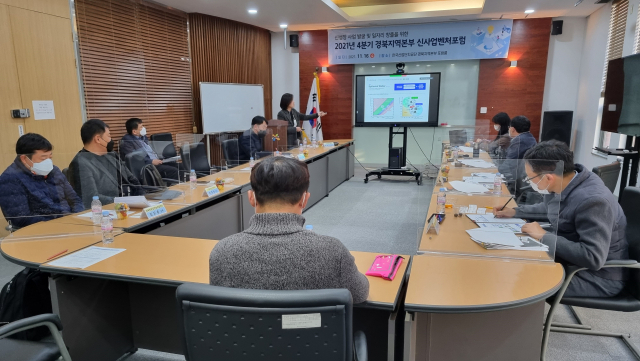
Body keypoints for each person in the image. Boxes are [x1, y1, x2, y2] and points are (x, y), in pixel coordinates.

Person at [209, 156, 369, 303]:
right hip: (309, 334)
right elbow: (360, 294)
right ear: (304, 199)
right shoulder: (333, 251)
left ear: (251, 198)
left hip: (247, 334)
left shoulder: (222, 252)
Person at [495, 140, 628, 297]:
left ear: (549, 178)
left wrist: (544, 236)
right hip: (571, 261)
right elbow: (551, 209)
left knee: (519, 280)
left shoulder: (593, 201)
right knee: (514, 261)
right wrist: (516, 212)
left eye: (530, 178)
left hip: (597, 277)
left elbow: (593, 257)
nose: (530, 183)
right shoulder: (568, 181)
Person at [0, 133, 83, 228]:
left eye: (50, 157)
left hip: (71, 224)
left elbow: (75, 200)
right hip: (42, 231)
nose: (48, 162)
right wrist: (60, 223)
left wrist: (77, 218)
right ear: (24, 159)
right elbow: (21, 219)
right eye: (43, 158)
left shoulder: (54, 170)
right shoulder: (10, 179)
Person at [67, 119, 144, 209]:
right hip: (110, 210)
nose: (111, 139)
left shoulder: (112, 155)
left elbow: (132, 179)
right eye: (109, 136)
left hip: (132, 204)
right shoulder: (80, 163)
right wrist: (124, 203)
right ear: (98, 139)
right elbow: (90, 198)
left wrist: (143, 197)